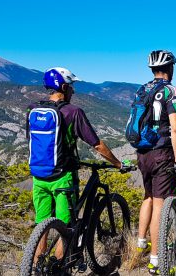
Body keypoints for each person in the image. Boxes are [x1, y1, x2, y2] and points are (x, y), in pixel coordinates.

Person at [27, 67, 123, 263]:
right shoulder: (73, 112)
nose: (73, 91)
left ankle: (36, 267)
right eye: (71, 86)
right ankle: (61, 267)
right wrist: (118, 163)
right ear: (63, 87)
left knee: (41, 226)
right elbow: (97, 145)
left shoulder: (33, 110)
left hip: (39, 177)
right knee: (66, 226)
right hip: (63, 177)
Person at [132, 50, 176, 274]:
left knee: (148, 198)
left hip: (142, 152)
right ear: (170, 68)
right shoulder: (171, 90)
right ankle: (156, 259)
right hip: (161, 153)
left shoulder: (142, 89)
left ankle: (140, 244)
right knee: (161, 206)